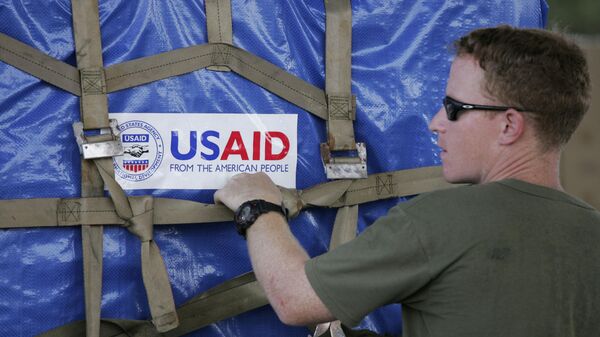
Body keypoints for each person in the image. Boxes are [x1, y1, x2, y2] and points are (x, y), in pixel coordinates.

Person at [214, 25, 600, 336]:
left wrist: (258, 206)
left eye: (454, 108)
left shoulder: (440, 221)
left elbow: (295, 300)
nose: (435, 123)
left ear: (510, 125)